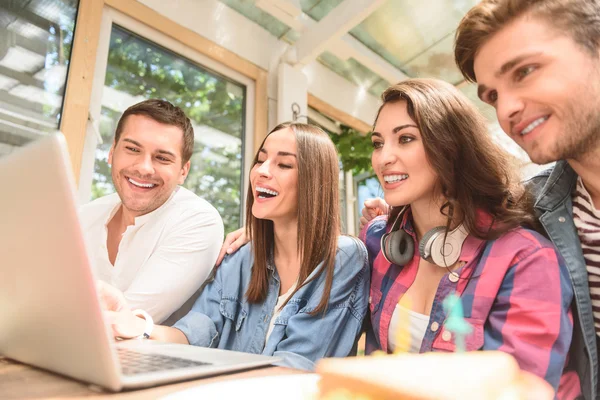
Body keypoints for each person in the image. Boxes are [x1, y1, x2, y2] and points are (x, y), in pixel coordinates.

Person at [99, 122, 370, 370]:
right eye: (261, 160)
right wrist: (135, 325)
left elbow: (294, 368)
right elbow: (193, 332)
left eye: (284, 165)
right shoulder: (240, 257)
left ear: (315, 182)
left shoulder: (344, 258)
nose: (262, 172)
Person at [361, 78, 572, 393]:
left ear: (450, 146)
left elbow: (518, 390)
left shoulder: (526, 259)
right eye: (378, 143)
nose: (383, 157)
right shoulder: (381, 240)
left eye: (405, 138)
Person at [79, 99, 223, 324]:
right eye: (133, 149)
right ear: (112, 152)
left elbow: (122, 320)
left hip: (148, 356)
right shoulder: (85, 216)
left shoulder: (198, 220)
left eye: (162, 158)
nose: (144, 168)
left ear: (183, 171)